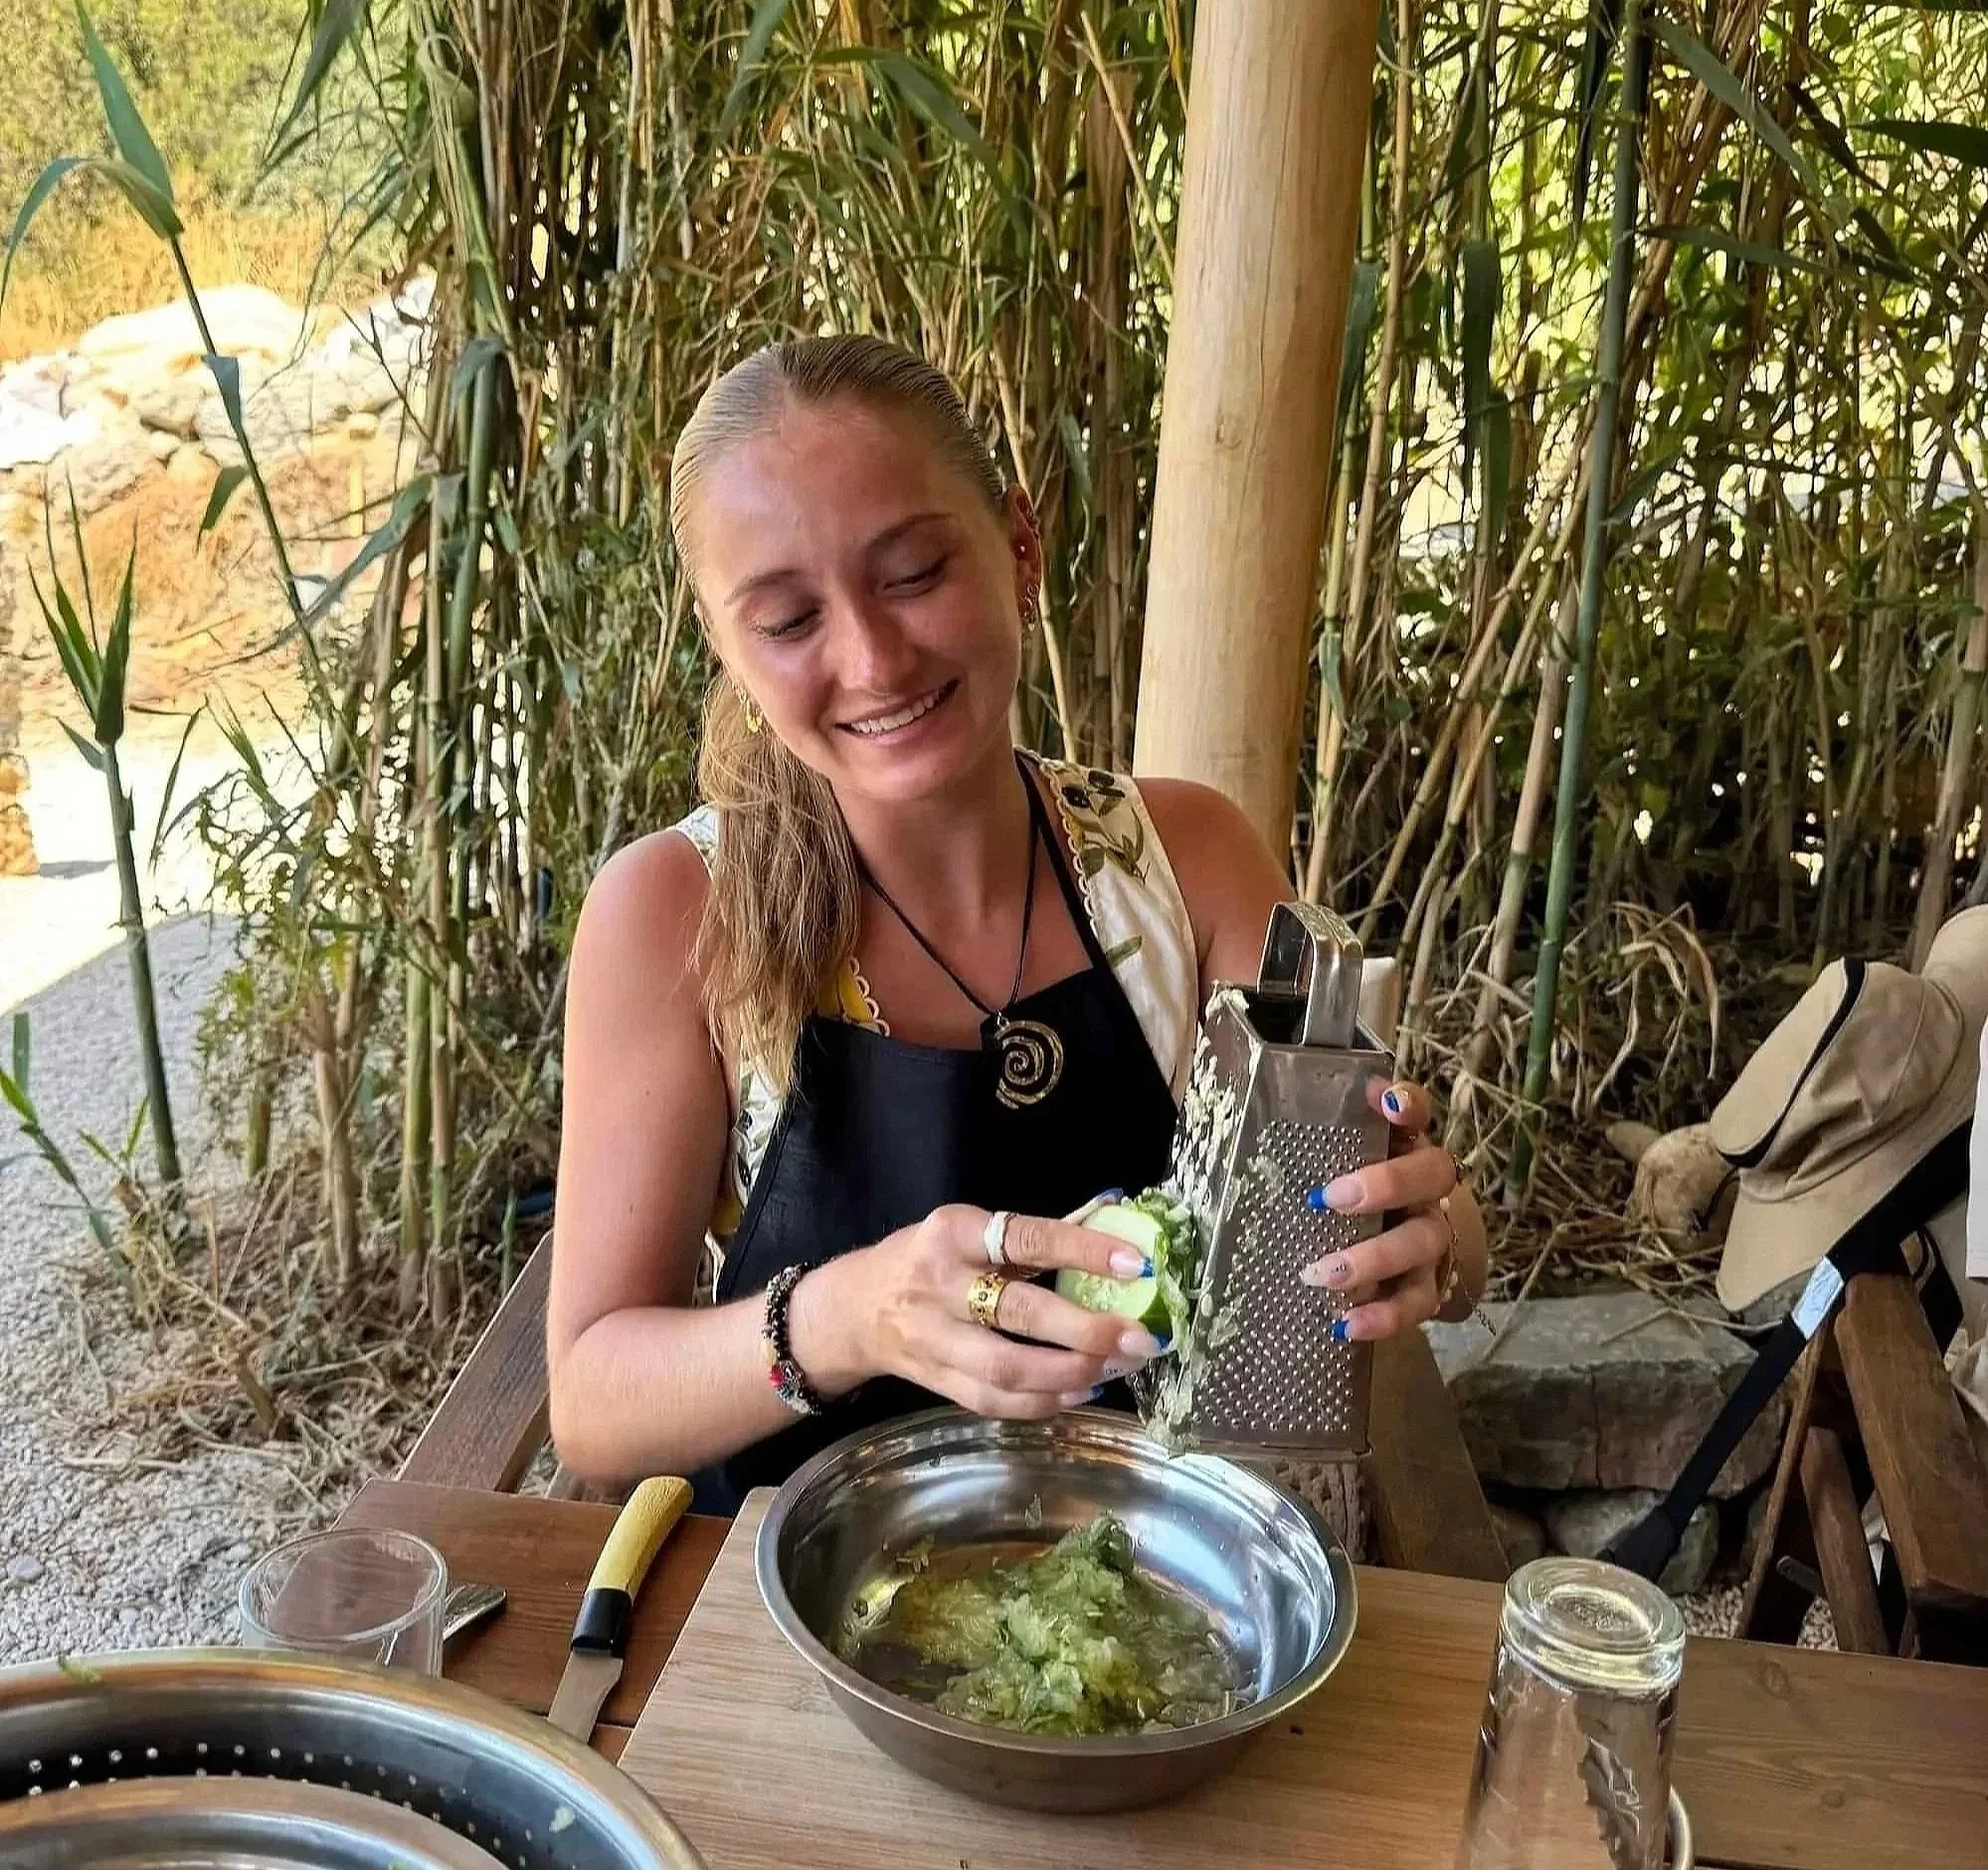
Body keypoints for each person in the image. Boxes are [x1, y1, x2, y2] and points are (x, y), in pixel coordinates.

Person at [548, 336, 1489, 1512]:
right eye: (787, 621)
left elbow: (1393, 1210)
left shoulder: (1181, 862)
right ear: (728, 651)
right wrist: (855, 1313)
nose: (873, 658)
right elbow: (591, 1400)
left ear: (1020, 547)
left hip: (1165, 1555)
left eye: (912, 573)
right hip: (794, 1587)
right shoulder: (674, 911)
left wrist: (1428, 1235)